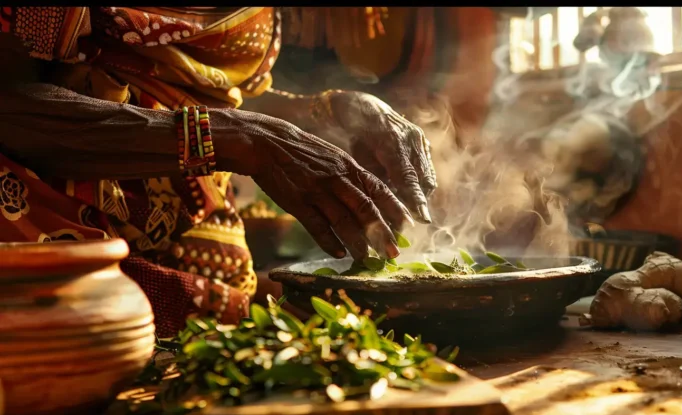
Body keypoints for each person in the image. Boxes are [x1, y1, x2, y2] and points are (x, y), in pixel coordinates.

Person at [0, 6, 436, 337]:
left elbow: (195, 94)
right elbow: (11, 107)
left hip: (194, 242)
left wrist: (325, 113)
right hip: (39, 235)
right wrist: (241, 140)